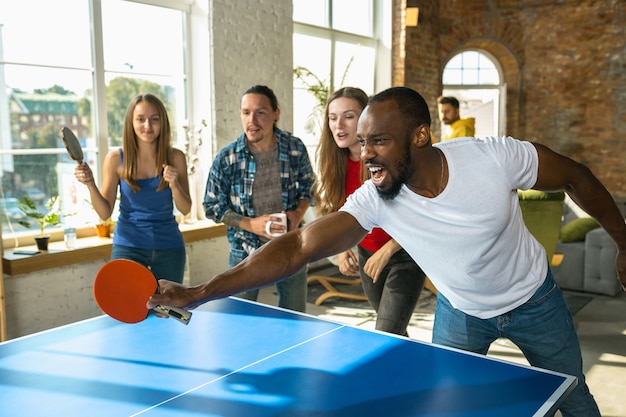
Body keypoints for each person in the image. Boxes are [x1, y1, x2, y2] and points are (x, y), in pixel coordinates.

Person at [150, 86, 626, 417]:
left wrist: (625, 243)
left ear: (419, 136)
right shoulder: (376, 196)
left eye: (378, 140)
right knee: (448, 403)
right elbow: (296, 246)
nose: (366, 154)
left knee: (573, 397)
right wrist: (200, 292)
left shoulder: (492, 158)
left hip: (534, 301)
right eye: (362, 143)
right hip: (460, 311)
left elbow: (574, 175)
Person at [314, 86, 426, 335]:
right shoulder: (334, 163)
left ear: (367, 118)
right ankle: (409, 372)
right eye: (333, 118)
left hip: (404, 252)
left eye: (349, 116)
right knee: (393, 330)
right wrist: (344, 250)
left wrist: (387, 250)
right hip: (368, 253)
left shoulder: (393, 158)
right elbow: (338, 212)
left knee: (387, 330)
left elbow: (420, 212)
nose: (339, 124)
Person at [203, 85, 314, 312]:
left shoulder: (295, 148)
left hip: (290, 246)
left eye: (260, 112)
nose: (252, 120)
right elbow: (212, 206)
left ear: (276, 114)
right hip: (244, 250)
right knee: (238, 320)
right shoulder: (227, 157)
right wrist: (250, 224)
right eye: (246, 112)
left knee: (295, 320)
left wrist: (298, 213)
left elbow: (308, 187)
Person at [75, 93, 191, 283]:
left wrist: (175, 184)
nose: (148, 126)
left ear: (163, 123)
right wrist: (90, 184)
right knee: (127, 310)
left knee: (169, 310)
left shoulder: (176, 157)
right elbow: (105, 213)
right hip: (128, 246)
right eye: (141, 119)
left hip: (169, 247)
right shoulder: (115, 160)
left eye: (155, 119)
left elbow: (186, 208)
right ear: (131, 122)